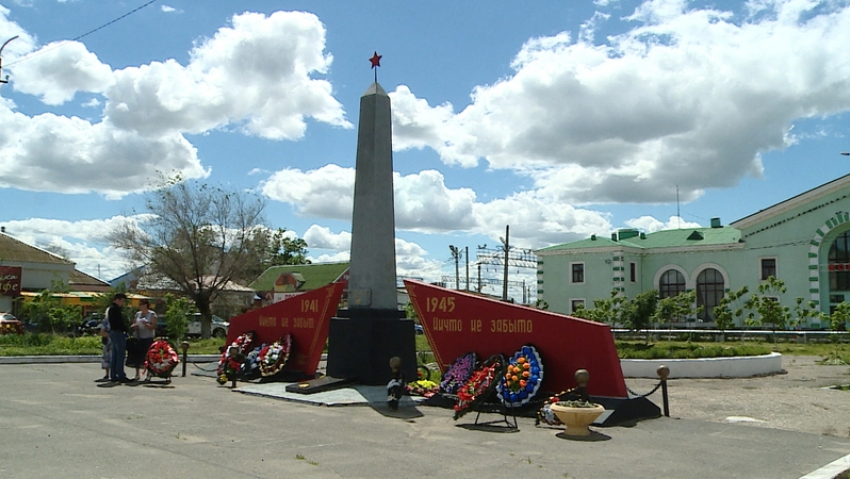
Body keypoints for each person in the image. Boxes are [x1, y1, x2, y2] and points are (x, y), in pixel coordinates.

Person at [98, 293, 133, 386]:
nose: (122, 303)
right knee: (120, 355)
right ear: (118, 299)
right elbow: (119, 322)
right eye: (122, 301)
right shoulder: (115, 309)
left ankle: (113, 375)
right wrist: (126, 329)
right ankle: (121, 375)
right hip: (117, 332)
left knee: (115, 354)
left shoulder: (111, 309)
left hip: (112, 333)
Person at [129, 299, 157, 381]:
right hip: (138, 337)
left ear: (145, 305)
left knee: (148, 357)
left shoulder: (152, 314)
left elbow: (154, 326)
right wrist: (135, 325)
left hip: (148, 338)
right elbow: (134, 323)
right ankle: (137, 374)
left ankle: (148, 374)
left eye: (141, 304)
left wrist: (146, 325)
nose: (139, 306)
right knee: (137, 356)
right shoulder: (138, 314)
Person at [95, 312, 111, 382]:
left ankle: (113, 374)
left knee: (113, 357)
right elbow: (102, 332)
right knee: (106, 357)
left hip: (113, 341)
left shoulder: (117, 320)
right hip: (108, 341)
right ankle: (107, 374)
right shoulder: (105, 321)